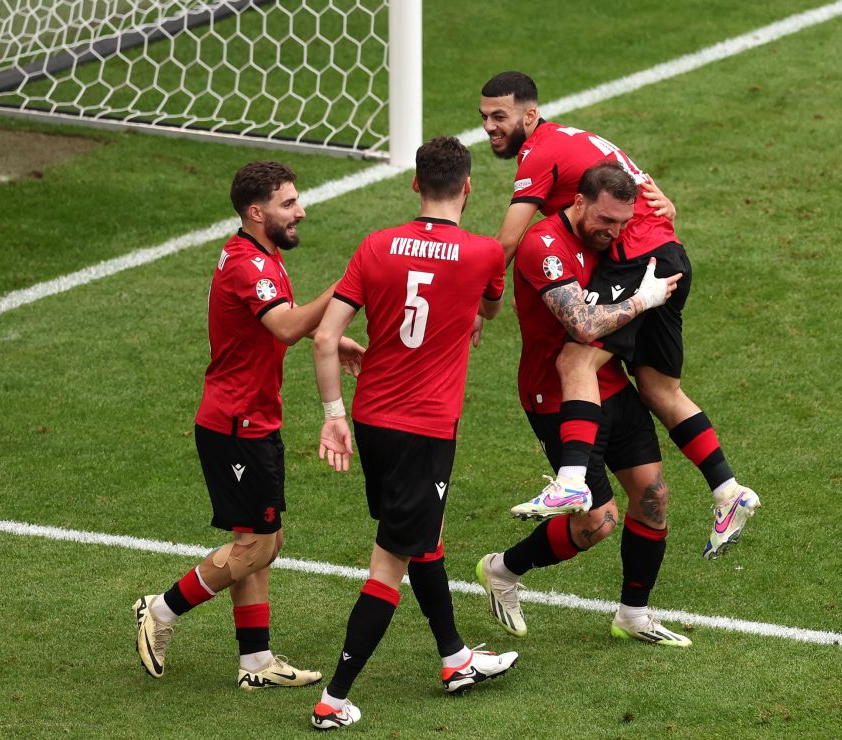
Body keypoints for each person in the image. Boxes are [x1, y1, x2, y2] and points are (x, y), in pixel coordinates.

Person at [479, 71, 761, 559]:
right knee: (657, 388)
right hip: (669, 255)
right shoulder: (579, 139)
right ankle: (728, 491)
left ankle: (570, 480)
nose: (488, 127)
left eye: (499, 117)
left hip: (639, 262)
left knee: (576, 359)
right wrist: (665, 211)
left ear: (530, 115)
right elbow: (646, 195)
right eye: (483, 117)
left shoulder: (540, 152)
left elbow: (507, 240)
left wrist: (484, 302)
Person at [308, 136, 517, 731]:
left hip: (373, 420)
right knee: (390, 560)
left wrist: (333, 414)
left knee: (424, 534)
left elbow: (326, 338)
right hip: (425, 430)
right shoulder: (482, 256)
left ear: (415, 185)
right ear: (469, 186)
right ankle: (334, 698)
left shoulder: (375, 245)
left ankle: (454, 659)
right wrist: (469, 313)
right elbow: (491, 310)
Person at [133, 161, 364, 689]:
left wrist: (327, 337)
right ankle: (161, 609)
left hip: (250, 417)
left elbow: (274, 319)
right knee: (257, 545)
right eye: (288, 203)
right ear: (257, 212)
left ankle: (255, 663)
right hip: (235, 423)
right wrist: (347, 288)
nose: (300, 210)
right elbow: (283, 325)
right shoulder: (250, 265)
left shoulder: (260, 254)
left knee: (261, 540)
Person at [477, 162, 692, 647]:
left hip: (608, 380)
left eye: (622, 223)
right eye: (605, 222)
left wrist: (668, 212)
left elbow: (654, 228)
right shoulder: (543, 246)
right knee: (598, 521)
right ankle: (503, 570)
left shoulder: (614, 225)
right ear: (578, 203)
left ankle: (634, 615)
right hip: (555, 394)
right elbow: (584, 325)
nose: (614, 233)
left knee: (653, 498)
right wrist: (645, 300)